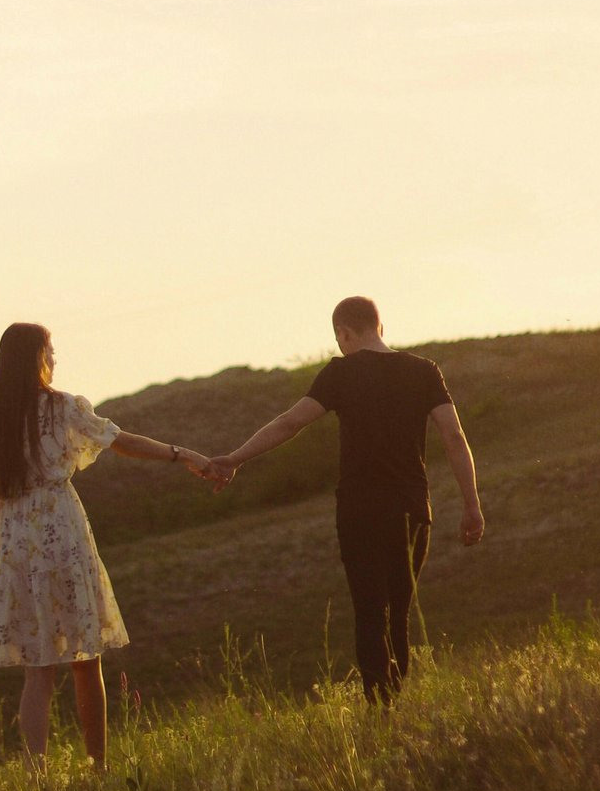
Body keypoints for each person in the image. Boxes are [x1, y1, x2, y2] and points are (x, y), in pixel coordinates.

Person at [0, 321, 210, 766]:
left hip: (15, 546)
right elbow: (120, 441)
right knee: (86, 659)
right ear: (35, 358)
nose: (54, 358)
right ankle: (98, 767)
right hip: (60, 536)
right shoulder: (62, 408)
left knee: (38, 668)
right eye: (50, 351)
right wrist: (182, 454)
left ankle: (37, 778)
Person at [205, 296, 484, 703]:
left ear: (344, 334)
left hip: (360, 511)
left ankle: (381, 711)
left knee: (371, 612)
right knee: (399, 612)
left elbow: (290, 422)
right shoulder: (425, 371)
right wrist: (472, 504)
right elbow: (454, 437)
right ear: (381, 327)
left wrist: (234, 458)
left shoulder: (341, 372)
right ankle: (398, 703)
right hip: (412, 509)